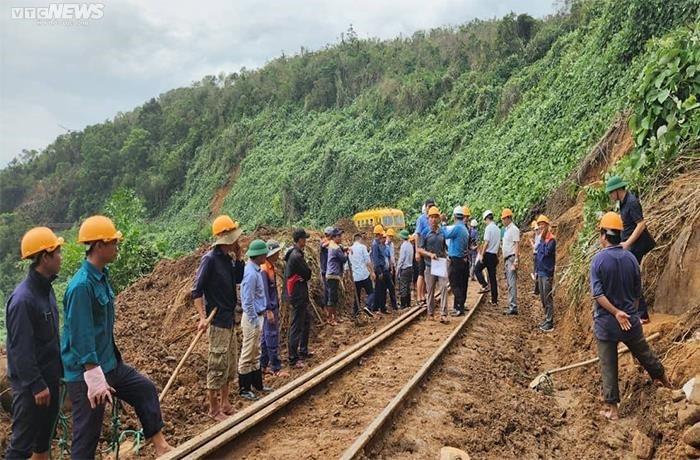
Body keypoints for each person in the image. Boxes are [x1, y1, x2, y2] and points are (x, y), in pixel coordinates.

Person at [62, 215, 171, 458]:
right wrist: (93, 375)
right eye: (113, 242)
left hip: (109, 363)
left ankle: (161, 445)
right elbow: (81, 334)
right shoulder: (81, 286)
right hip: (87, 374)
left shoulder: (101, 276)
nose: (117, 246)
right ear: (99, 246)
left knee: (144, 390)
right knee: (88, 433)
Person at [591, 212, 672, 420]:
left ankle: (613, 410)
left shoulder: (598, 261)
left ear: (604, 235)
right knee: (645, 354)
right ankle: (666, 381)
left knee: (608, 364)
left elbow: (598, 294)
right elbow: (637, 293)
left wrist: (616, 313)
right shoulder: (631, 259)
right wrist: (628, 313)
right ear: (619, 234)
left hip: (607, 324)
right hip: (631, 322)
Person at [6, 227, 64, 460]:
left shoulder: (46, 290)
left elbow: (50, 339)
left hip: (49, 379)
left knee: (43, 441)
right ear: (44, 257)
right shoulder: (23, 300)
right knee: (21, 446)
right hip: (31, 388)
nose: (60, 257)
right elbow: (21, 350)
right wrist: (36, 384)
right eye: (57, 252)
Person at [192, 215, 244, 420]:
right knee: (217, 364)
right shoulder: (210, 260)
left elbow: (238, 278)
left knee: (229, 363)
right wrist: (202, 317)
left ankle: (225, 403)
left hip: (229, 319)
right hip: (217, 321)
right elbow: (196, 291)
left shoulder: (228, 259)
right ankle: (213, 408)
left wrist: (238, 257)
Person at [606, 176, 655, 324]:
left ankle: (642, 315)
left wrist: (627, 243)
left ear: (617, 190)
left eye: (611, 192)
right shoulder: (622, 202)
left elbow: (641, 224)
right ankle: (635, 310)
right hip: (628, 245)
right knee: (628, 276)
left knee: (631, 277)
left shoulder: (632, 202)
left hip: (637, 245)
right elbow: (626, 223)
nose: (610, 195)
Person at [238, 239, 273, 400]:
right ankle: (244, 388)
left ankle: (257, 384)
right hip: (252, 318)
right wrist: (253, 320)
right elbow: (247, 301)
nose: (266, 256)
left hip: (258, 316)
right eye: (264, 254)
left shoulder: (256, 270)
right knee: (247, 352)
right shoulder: (251, 274)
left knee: (256, 351)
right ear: (258, 255)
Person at [260, 240, 288, 378]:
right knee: (271, 335)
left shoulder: (270, 266)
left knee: (265, 338)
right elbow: (264, 292)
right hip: (269, 308)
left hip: (272, 306)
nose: (279, 254)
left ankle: (263, 365)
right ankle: (276, 367)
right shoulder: (264, 269)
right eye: (277, 252)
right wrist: (269, 310)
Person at [285, 229, 313, 368]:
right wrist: (305, 275)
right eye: (304, 239)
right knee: (296, 325)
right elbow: (307, 273)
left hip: (299, 293)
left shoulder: (294, 253)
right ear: (300, 240)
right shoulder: (296, 256)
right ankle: (293, 358)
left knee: (306, 320)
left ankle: (303, 350)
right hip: (298, 295)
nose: (305, 241)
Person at [417, 206, 449, 322]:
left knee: (444, 287)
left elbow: (444, 248)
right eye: (431, 217)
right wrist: (429, 254)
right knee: (430, 289)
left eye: (435, 217)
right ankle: (430, 313)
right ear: (429, 218)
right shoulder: (425, 232)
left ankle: (444, 314)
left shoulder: (442, 232)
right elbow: (419, 249)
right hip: (429, 265)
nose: (433, 219)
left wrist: (447, 256)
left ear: (439, 219)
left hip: (440, 264)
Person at [442, 206, 469, 316]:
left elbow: (445, 234)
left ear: (454, 217)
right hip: (461, 259)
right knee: (460, 284)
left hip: (455, 259)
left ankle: (459, 307)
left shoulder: (457, 228)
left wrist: (443, 224)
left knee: (454, 283)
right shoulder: (465, 229)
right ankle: (458, 307)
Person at [474, 210, 500, 305]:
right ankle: (494, 300)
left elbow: (486, 243)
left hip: (488, 254)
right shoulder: (497, 229)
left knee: (477, 269)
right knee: (493, 278)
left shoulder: (488, 228)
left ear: (486, 219)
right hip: (494, 255)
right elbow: (498, 244)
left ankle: (484, 285)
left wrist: (482, 254)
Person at [535, 215, 556, 332]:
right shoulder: (542, 240)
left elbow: (546, 253)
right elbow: (538, 256)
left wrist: (541, 241)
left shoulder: (551, 240)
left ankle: (549, 322)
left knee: (547, 297)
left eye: (542, 224)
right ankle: (546, 318)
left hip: (547, 272)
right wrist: (537, 271)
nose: (540, 227)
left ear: (547, 225)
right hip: (541, 271)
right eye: (539, 225)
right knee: (543, 297)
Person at [413, 199, 435, 307]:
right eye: (429, 206)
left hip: (430, 251)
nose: (430, 208)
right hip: (422, 250)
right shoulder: (421, 219)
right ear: (425, 207)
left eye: (432, 206)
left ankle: (424, 296)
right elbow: (417, 235)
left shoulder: (433, 218)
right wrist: (417, 251)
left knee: (427, 273)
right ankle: (419, 297)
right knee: (421, 274)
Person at [347, 233, 375, 318]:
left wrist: (349, 276)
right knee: (371, 292)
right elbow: (368, 261)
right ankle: (368, 306)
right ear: (360, 239)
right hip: (364, 275)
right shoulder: (362, 247)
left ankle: (355, 313)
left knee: (357, 295)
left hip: (355, 277)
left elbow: (347, 266)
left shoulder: (350, 249)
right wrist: (372, 272)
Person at [326, 228, 349, 325]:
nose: (341, 238)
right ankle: (330, 319)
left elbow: (341, 247)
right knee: (332, 298)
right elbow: (343, 259)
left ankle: (335, 317)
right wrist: (347, 254)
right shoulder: (335, 248)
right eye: (339, 236)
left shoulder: (333, 245)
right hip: (333, 275)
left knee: (334, 298)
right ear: (334, 237)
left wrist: (344, 249)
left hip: (333, 275)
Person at [501, 209, 520, 315]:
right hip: (507, 259)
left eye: (504, 218)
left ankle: (513, 306)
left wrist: (516, 260)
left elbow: (516, 244)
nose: (503, 221)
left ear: (508, 218)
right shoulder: (506, 230)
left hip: (511, 258)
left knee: (512, 282)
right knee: (509, 282)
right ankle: (511, 304)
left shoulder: (514, 229)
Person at [370, 225, 389, 315]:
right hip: (379, 269)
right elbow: (376, 259)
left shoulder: (378, 244)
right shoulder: (375, 245)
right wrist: (379, 272)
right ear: (379, 234)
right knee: (380, 289)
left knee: (381, 289)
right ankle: (380, 308)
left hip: (381, 268)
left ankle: (378, 307)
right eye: (381, 234)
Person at [396, 229, 414, 309]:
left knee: (403, 286)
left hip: (405, 268)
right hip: (410, 268)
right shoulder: (410, 245)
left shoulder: (404, 246)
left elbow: (401, 259)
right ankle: (408, 303)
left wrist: (397, 269)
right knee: (408, 286)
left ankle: (403, 305)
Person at [320, 226, 334, 309]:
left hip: (329, 269)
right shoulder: (323, 242)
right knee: (327, 289)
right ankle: (326, 307)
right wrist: (333, 241)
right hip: (325, 269)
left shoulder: (329, 243)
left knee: (330, 289)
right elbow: (323, 245)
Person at [384, 228, 398, 310]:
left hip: (392, 267)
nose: (391, 238)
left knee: (392, 286)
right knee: (387, 287)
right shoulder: (384, 245)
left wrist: (394, 267)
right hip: (387, 269)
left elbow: (392, 257)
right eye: (390, 236)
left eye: (392, 236)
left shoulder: (391, 245)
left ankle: (393, 304)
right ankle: (388, 303)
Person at [530, 220, 540, 295]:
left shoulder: (538, 235)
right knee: (536, 271)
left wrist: (531, 243)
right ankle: (537, 289)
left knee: (536, 272)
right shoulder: (537, 235)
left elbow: (535, 247)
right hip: (537, 255)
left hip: (537, 255)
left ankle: (536, 290)